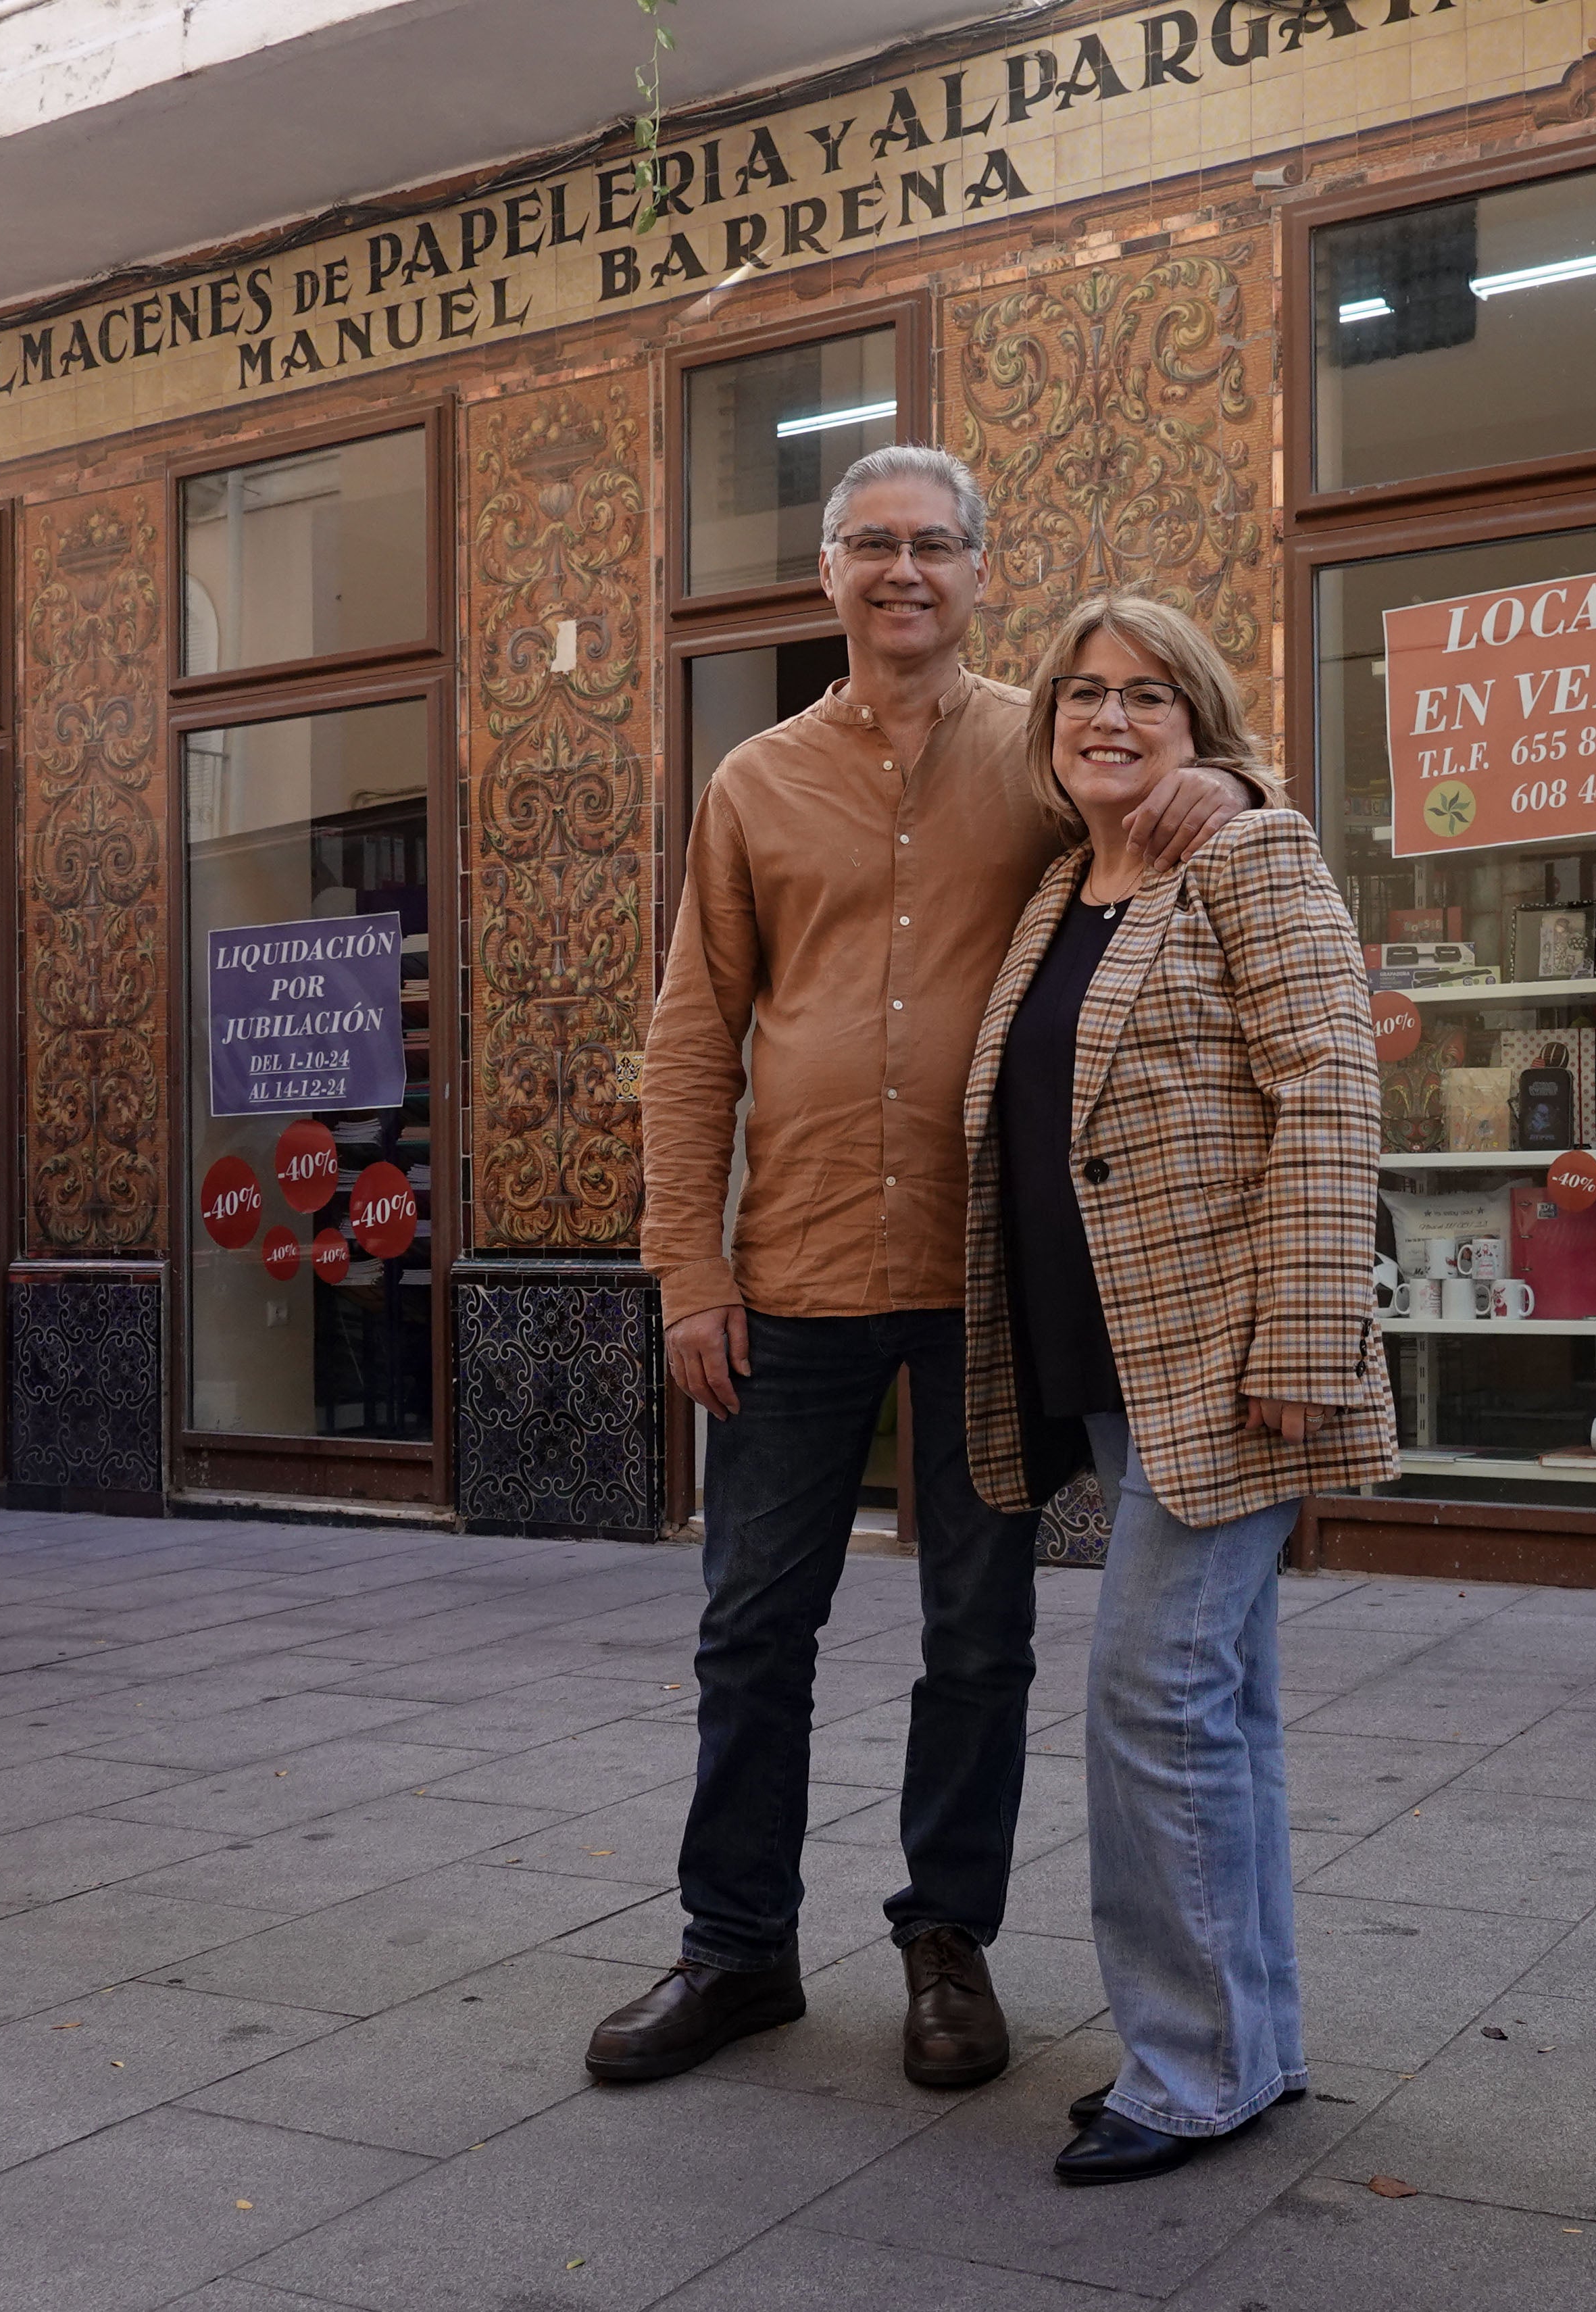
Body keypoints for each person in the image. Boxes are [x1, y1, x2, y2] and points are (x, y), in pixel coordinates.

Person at [601, 449, 1270, 2092]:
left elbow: (1186, 786)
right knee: (753, 1625)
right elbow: (693, 1038)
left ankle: (944, 1943)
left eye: (936, 546)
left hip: (993, 1280)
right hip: (793, 1274)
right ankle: (734, 1946)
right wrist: (688, 1265)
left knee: (979, 1636)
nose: (905, 571)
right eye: (872, 546)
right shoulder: (753, 781)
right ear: (827, 575)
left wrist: (1237, 798)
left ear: (980, 572)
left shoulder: (1042, 756)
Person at [959, 593, 1396, 2184]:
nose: (1109, 719)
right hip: (1101, 1359)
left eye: (1148, 696)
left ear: (1198, 721)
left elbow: (1329, 1082)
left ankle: (1188, 2066)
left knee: (1148, 1700)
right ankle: (1247, 2041)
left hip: (1221, 1356)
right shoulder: (1067, 886)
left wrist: (1302, 1334)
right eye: (1081, 694)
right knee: (1218, 1708)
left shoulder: (1248, 851)